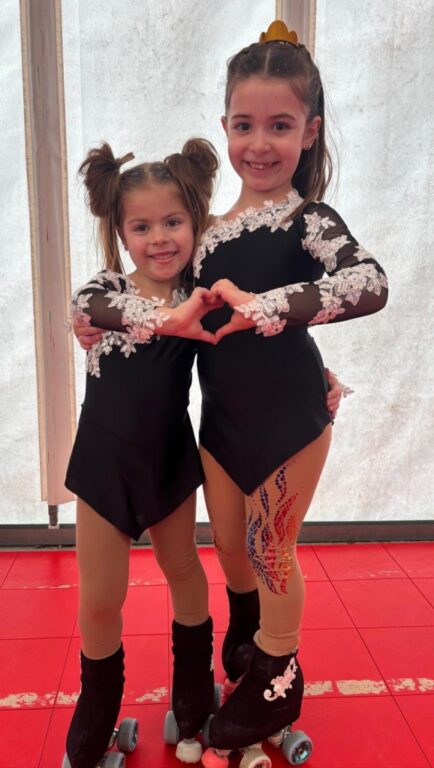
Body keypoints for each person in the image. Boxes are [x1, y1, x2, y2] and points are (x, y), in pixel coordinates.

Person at [188, 20, 388, 766]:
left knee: (271, 548)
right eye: (245, 125)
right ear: (225, 127)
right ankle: (247, 638)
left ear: (310, 132)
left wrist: (269, 308)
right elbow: (179, 313)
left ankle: (278, 672)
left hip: (291, 419)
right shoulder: (206, 233)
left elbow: (368, 283)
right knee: (230, 547)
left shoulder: (312, 222)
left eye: (280, 125)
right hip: (221, 420)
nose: (260, 143)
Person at [64, 138, 223, 768]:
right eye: (142, 227)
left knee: (183, 568)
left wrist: (319, 376)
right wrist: (165, 319)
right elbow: (89, 306)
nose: (159, 238)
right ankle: (97, 717)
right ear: (121, 233)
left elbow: (262, 346)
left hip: (167, 460)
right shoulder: (103, 291)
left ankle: (193, 699)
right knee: (101, 596)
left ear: (194, 221)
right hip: (103, 464)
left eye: (173, 222)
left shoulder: (202, 295)